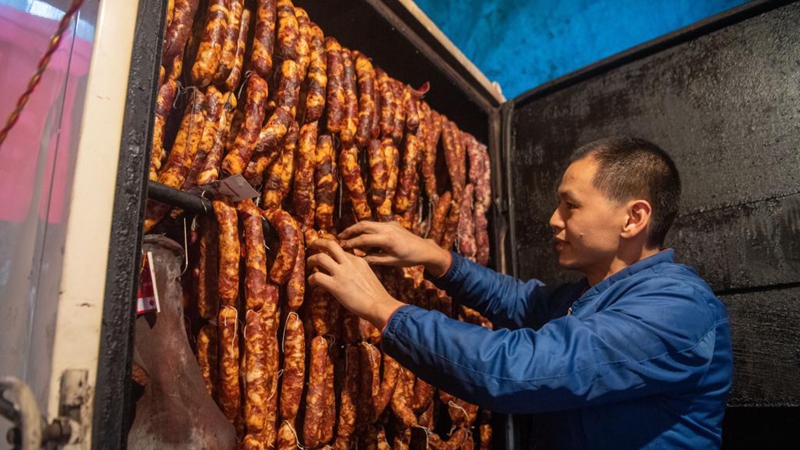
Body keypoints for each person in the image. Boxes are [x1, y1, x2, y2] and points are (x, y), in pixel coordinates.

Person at [306, 136, 733, 449]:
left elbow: (521, 369)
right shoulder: (600, 292)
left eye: (571, 205)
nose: (554, 219)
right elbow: (521, 302)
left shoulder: (678, 310)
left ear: (633, 218)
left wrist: (382, 307)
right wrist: (436, 258)